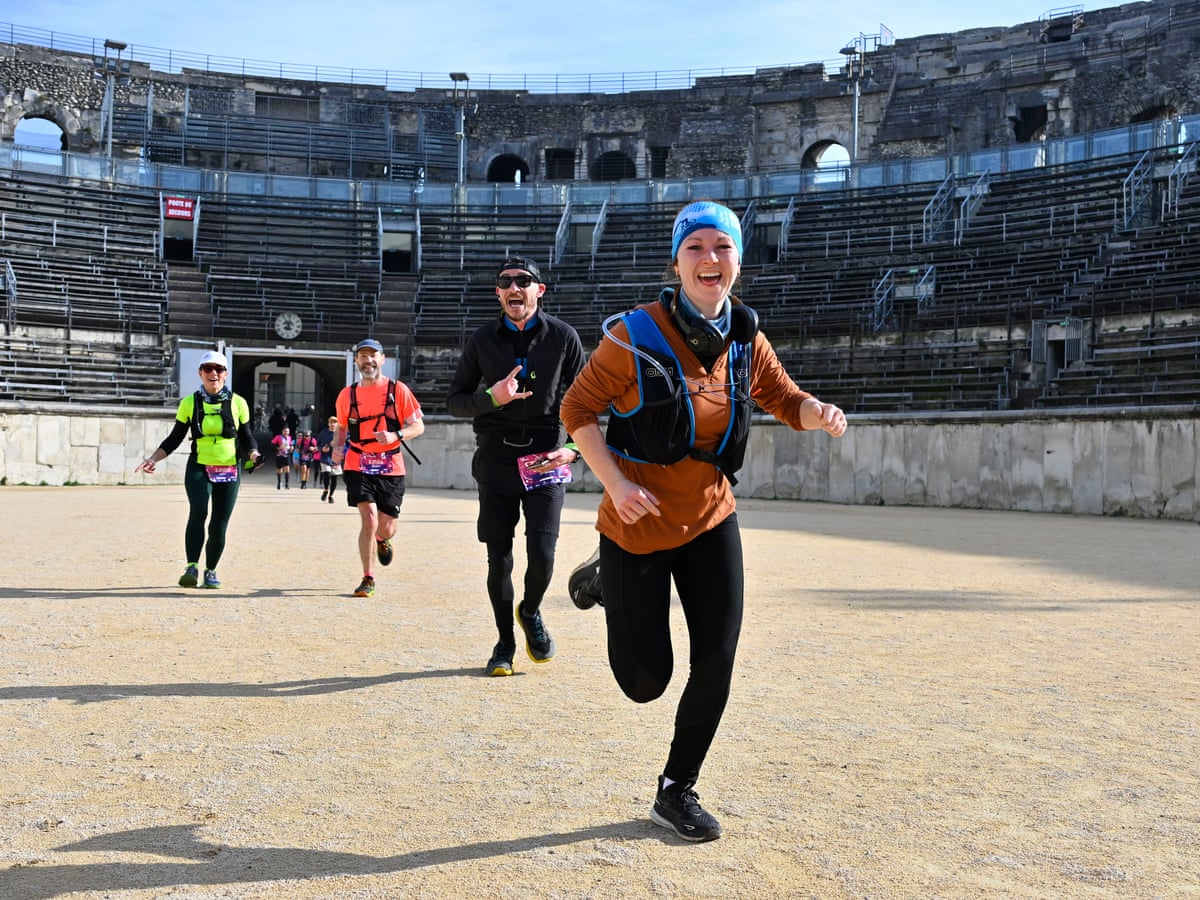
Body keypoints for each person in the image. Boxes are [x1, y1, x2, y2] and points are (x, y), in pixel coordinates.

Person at [559, 201, 849, 842]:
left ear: (738, 260)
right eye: (695, 247)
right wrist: (616, 484)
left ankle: (676, 789)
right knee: (645, 682)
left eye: (722, 246)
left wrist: (818, 412)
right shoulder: (631, 336)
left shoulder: (746, 337)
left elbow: (785, 399)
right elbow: (576, 408)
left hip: (712, 515)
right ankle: (605, 579)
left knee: (716, 658)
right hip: (637, 521)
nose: (709, 259)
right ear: (676, 262)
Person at [447, 256, 585, 677]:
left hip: (545, 458)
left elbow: (589, 400)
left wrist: (574, 448)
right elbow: (455, 401)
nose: (514, 288)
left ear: (539, 290)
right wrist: (493, 398)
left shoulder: (563, 337)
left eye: (523, 281)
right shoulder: (481, 340)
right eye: (505, 282)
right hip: (495, 460)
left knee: (542, 554)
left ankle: (531, 611)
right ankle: (504, 642)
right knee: (499, 559)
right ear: (498, 293)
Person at [136, 350, 261, 589]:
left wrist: (254, 453)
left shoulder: (238, 403)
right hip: (200, 466)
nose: (213, 373)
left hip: (229, 468)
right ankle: (191, 566)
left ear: (226, 374)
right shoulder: (189, 403)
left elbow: (247, 437)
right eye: (208, 369)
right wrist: (153, 458)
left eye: (219, 369)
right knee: (198, 512)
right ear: (200, 373)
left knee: (219, 523)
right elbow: (175, 438)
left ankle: (210, 571)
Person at [332, 339, 424, 598]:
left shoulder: (398, 390)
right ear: (356, 361)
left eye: (373, 355)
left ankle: (383, 540)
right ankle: (368, 578)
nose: (368, 361)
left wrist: (396, 435)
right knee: (369, 518)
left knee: (386, 527)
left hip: (390, 465)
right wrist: (337, 448)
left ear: (383, 359)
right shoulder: (347, 395)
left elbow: (418, 426)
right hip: (358, 462)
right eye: (363, 356)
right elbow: (342, 427)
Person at [316, 415, 342, 504]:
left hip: (336, 458)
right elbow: (318, 444)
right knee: (326, 474)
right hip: (325, 457)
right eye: (331, 422)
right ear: (328, 424)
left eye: (334, 422)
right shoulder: (323, 433)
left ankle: (331, 495)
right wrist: (322, 448)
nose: (332, 424)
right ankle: (325, 490)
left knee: (334, 478)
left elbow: (346, 444)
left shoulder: (340, 434)